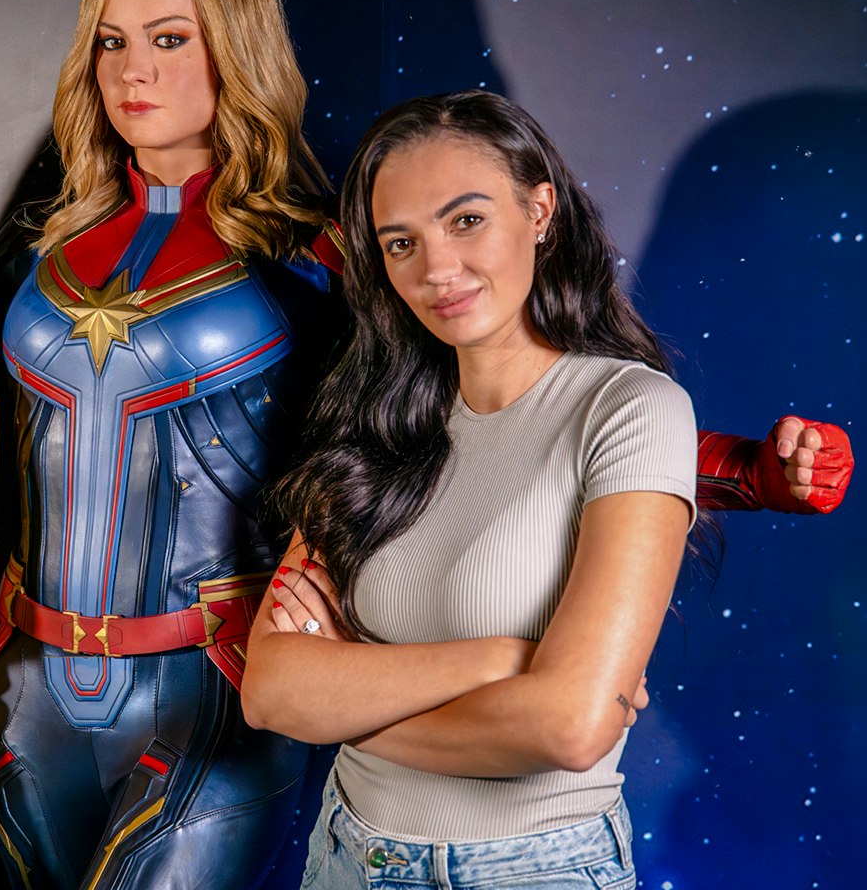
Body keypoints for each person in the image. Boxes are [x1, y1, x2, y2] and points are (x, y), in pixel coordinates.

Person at [0, 0, 850, 890]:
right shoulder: (49, 238)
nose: (133, 71)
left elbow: (505, 390)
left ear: (233, 49)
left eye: (170, 38)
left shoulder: (318, 244)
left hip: (211, 694)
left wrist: (745, 469)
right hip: (26, 689)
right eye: (111, 42)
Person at [240, 90, 714, 888]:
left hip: (531, 870)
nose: (436, 270)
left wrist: (346, 710)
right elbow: (271, 690)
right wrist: (504, 661)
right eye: (401, 243)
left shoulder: (630, 410)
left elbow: (570, 727)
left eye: (466, 220)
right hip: (347, 856)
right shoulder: (370, 423)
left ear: (540, 211)